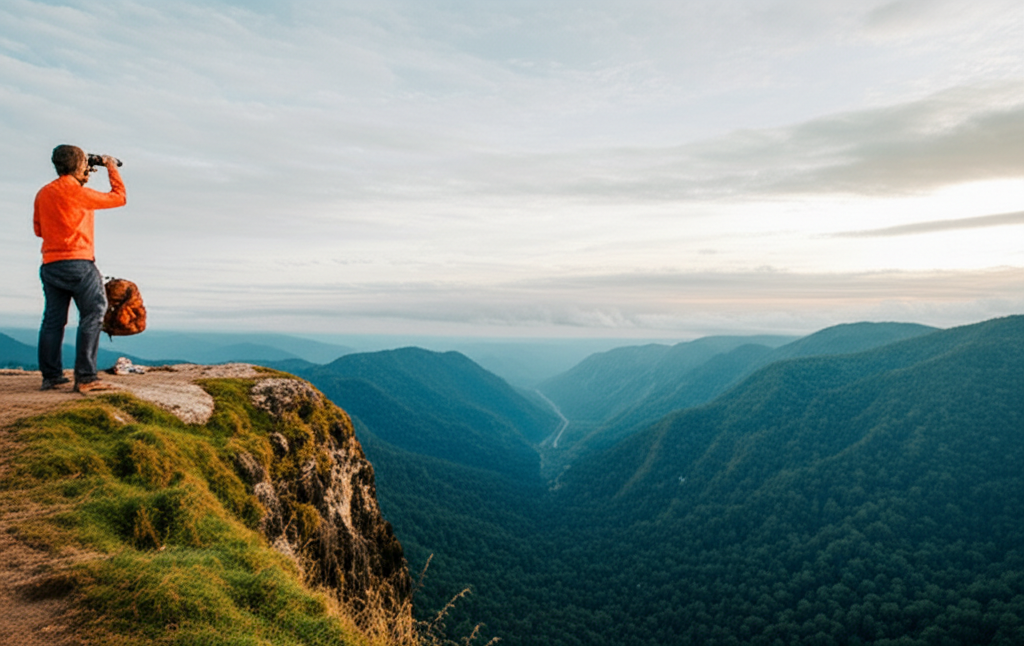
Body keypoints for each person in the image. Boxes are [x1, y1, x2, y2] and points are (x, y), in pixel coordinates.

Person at [34, 144, 127, 392]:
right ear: (79, 165)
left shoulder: (43, 193)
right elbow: (119, 197)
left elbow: (38, 230)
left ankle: (51, 377)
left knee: (53, 320)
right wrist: (110, 167)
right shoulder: (78, 193)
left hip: (50, 265)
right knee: (94, 313)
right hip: (79, 262)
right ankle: (86, 377)